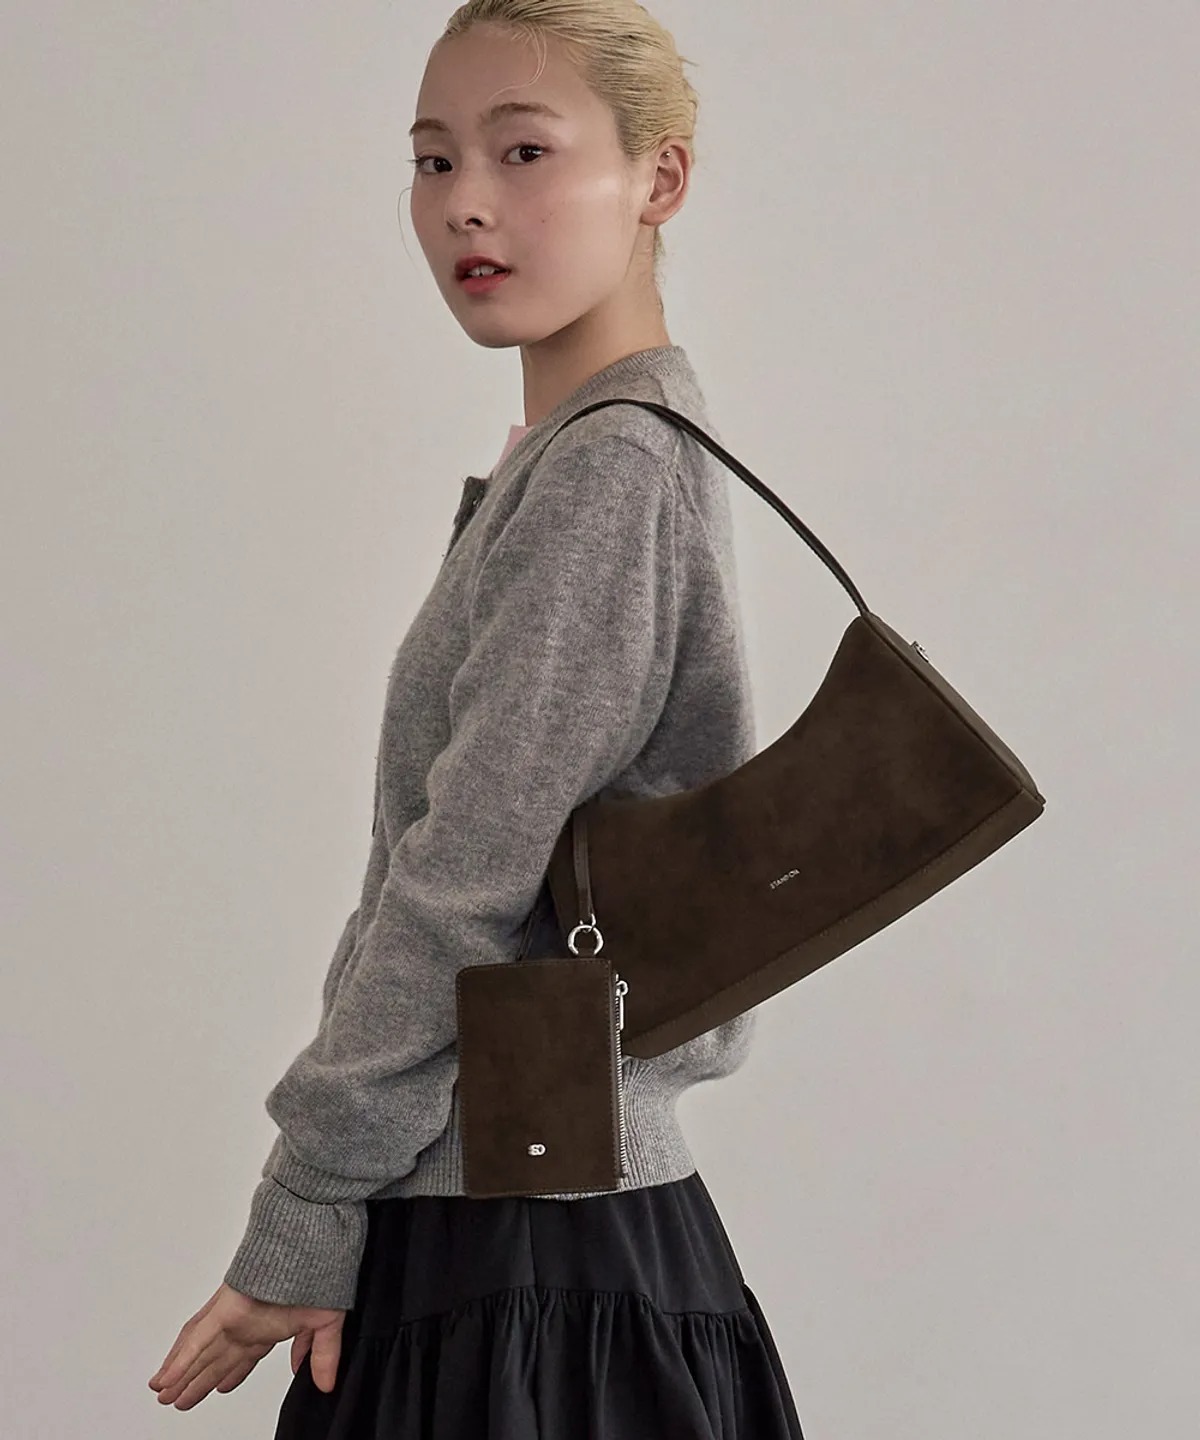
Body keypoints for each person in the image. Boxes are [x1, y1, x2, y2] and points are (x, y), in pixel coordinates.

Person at [150, 2, 808, 1434]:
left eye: (524, 151)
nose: (466, 204)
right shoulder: (576, 459)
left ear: (660, 177)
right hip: (520, 1234)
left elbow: (457, 884)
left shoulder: (608, 472)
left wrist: (304, 1205)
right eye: (434, 159)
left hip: (521, 1259)